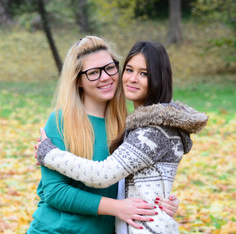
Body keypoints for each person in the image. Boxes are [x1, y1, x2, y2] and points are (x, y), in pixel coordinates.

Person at [36, 40, 208, 233]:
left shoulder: (128, 126)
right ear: (78, 80)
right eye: (93, 72)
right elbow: (54, 192)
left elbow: (128, 179)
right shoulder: (61, 121)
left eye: (110, 68)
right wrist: (117, 208)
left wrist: (160, 201)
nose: (105, 77)